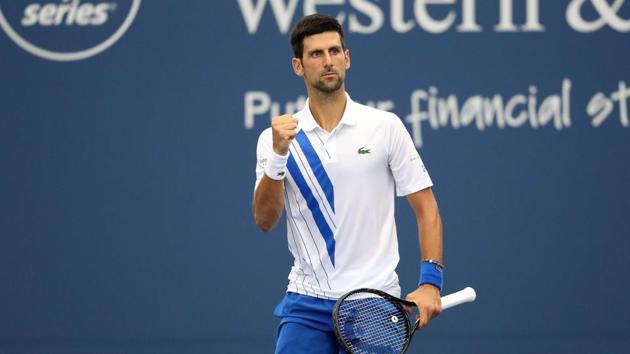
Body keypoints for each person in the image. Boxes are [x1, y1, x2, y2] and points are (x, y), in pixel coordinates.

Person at [252, 13, 444, 354]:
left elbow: (426, 207)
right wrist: (278, 155)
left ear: (347, 58)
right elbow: (265, 220)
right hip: (306, 304)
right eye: (316, 54)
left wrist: (431, 283)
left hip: (373, 302)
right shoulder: (275, 139)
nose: (328, 61)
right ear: (298, 66)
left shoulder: (385, 127)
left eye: (334, 51)